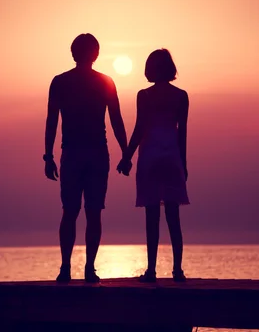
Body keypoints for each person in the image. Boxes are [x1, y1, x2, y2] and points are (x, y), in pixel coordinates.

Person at [44, 33, 128, 283]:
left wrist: (48, 156)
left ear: (73, 53)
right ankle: (85, 268)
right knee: (91, 212)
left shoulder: (61, 82)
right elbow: (116, 119)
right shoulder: (102, 81)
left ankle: (68, 268)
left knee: (72, 211)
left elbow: (51, 121)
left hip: (76, 153)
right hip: (91, 153)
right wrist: (125, 152)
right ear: (96, 54)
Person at [117, 49, 189, 282]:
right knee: (173, 216)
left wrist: (127, 156)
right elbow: (182, 133)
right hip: (171, 156)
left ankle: (151, 270)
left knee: (152, 217)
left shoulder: (144, 95)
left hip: (150, 157)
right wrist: (183, 163)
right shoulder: (181, 96)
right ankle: (177, 270)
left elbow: (139, 128)